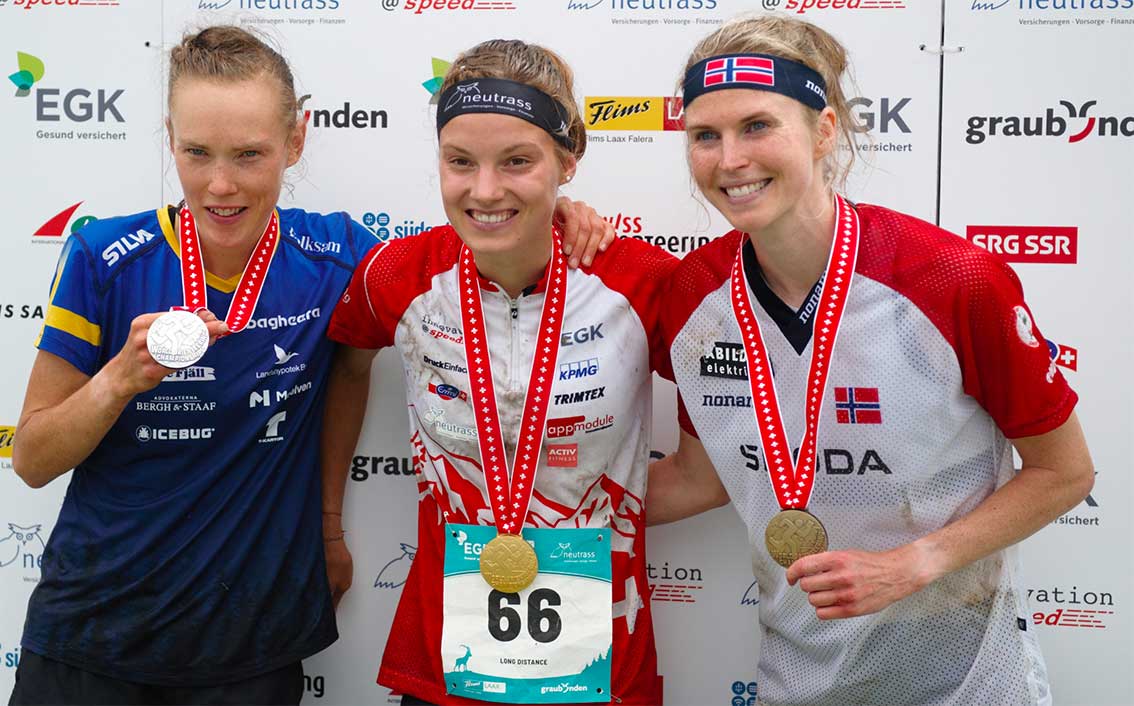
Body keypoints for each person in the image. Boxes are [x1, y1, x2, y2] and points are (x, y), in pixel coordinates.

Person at [8, 26, 611, 706]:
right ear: (170, 138)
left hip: (250, 642)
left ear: (296, 140)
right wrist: (118, 380)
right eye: (196, 151)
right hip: (91, 634)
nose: (220, 183)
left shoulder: (339, 256)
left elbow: (471, 249)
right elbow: (30, 459)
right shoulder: (104, 256)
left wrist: (556, 212)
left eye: (250, 153)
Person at [645, 14, 1094, 706]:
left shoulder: (952, 281)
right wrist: (534, 511)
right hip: (796, 681)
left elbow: (1064, 472)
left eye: (757, 126)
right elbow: (699, 479)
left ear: (824, 131)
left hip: (968, 681)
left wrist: (913, 563)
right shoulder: (694, 293)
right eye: (705, 135)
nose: (729, 159)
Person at [322, 39, 676, 706]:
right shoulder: (398, 275)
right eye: (460, 161)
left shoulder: (640, 281)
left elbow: (726, 438)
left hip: (602, 666)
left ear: (568, 160)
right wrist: (327, 523)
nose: (484, 191)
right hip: (445, 664)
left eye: (517, 161)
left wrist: (594, 513)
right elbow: (345, 367)